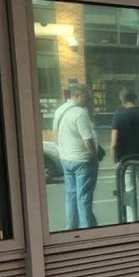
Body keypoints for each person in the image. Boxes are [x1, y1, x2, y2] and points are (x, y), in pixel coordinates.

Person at [53, 84, 99, 230]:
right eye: (87, 95)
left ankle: (71, 227)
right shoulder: (80, 113)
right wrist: (95, 155)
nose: (89, 99)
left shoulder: (60, 110)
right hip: (83, 160)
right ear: (78, 95)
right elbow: (88, 140)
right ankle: (87, 229)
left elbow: (55, 134)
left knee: (71, 195)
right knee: (84, 197)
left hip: (66, 158)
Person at [110, 88, 139, 222]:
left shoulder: (118, 116)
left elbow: (113, 143)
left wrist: (114, 159)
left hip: (127, 160)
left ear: (122, 100)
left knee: (129, 190)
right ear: (135, 98)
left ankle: (132, 220)